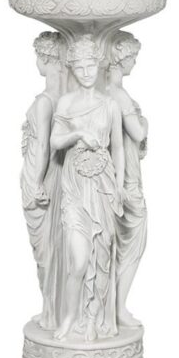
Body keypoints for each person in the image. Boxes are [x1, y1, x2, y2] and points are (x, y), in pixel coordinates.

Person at [50, 35, 125, 341]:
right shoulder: (66, 103)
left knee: (101, 257)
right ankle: (69, 316)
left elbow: (118, 147)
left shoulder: (110, 105)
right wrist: (78, 134)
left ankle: (92, 317)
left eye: (90, 66)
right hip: (74, 188)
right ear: (72, 68)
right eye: (79, 67)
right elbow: (55, 141)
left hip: (103, 187)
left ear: (98, 64)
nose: (85, 72)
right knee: (79, 261)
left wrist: (119, 185)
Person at [20, 31, 63, 329]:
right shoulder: (62, 99)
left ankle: (52, 311)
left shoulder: (45, 103)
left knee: (46, 250)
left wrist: (35, 183)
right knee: (52, 247)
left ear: (46, 58)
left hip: (41, 179)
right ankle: (53, 309)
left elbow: (42, 147)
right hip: (53, 177)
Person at [107, 31, 148, 328]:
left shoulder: (105, 91)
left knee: (116, 242)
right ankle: (118, 307)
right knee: (133, 239)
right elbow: (138, 132)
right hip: (126, 178)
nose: (135, 62)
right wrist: (145, 121)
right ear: (122, 58)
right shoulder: (118, 95)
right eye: (133, 57)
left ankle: (112, 306)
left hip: (113, 171)